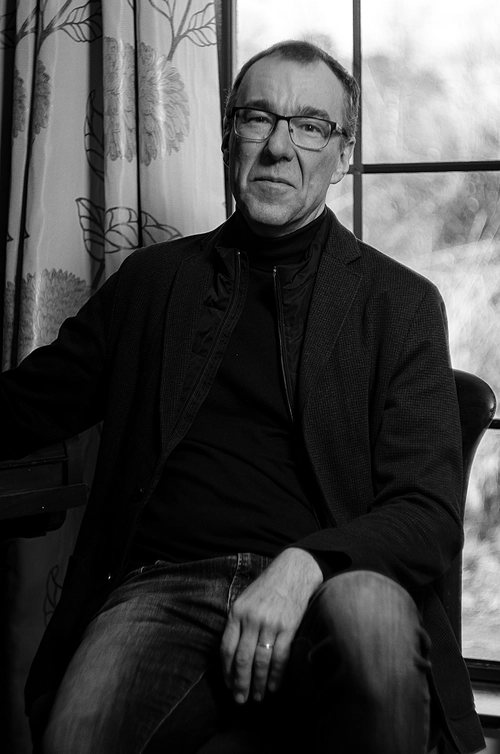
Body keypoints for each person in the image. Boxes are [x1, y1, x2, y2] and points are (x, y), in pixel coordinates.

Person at [0, 40, 485, 754]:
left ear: (344, 155)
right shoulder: (152, 284)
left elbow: (428, 512)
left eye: (311, 126)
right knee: (76, 738)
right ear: (229, 137)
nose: (279, 146)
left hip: (334, 582)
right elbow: (27, 406)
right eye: (258, 118)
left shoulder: (400, 304)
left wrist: (305, 565)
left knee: (375, 621)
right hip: (165, 589)